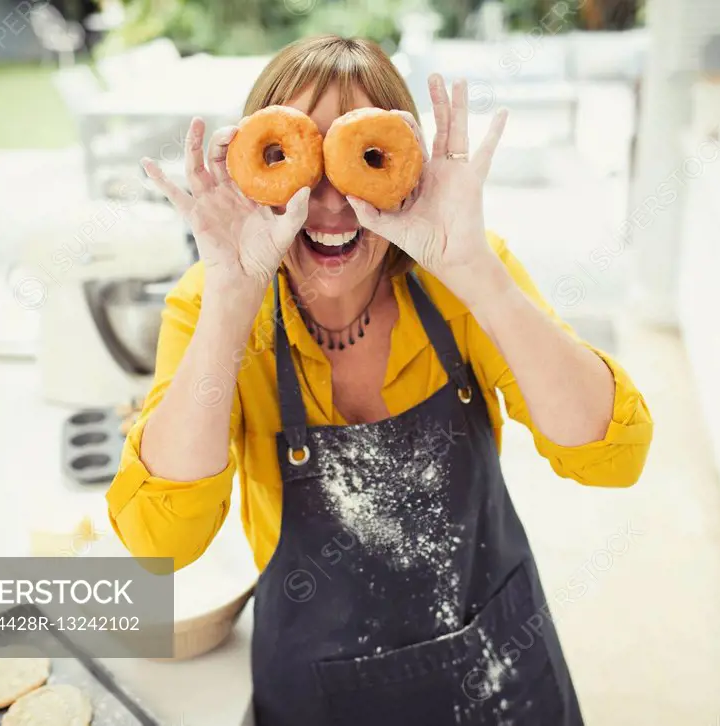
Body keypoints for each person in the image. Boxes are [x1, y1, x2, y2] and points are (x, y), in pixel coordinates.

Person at [107, 34, 653, 726]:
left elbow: (612, 457)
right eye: (294, 160)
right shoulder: (212, 305)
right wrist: (232, 297)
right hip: (316, 693)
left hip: (498, 671)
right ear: (253, 169)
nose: (330, 203)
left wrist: (477, 272)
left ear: (408, 168)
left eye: (359, 159)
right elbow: (162, 547)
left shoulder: (460, 278)